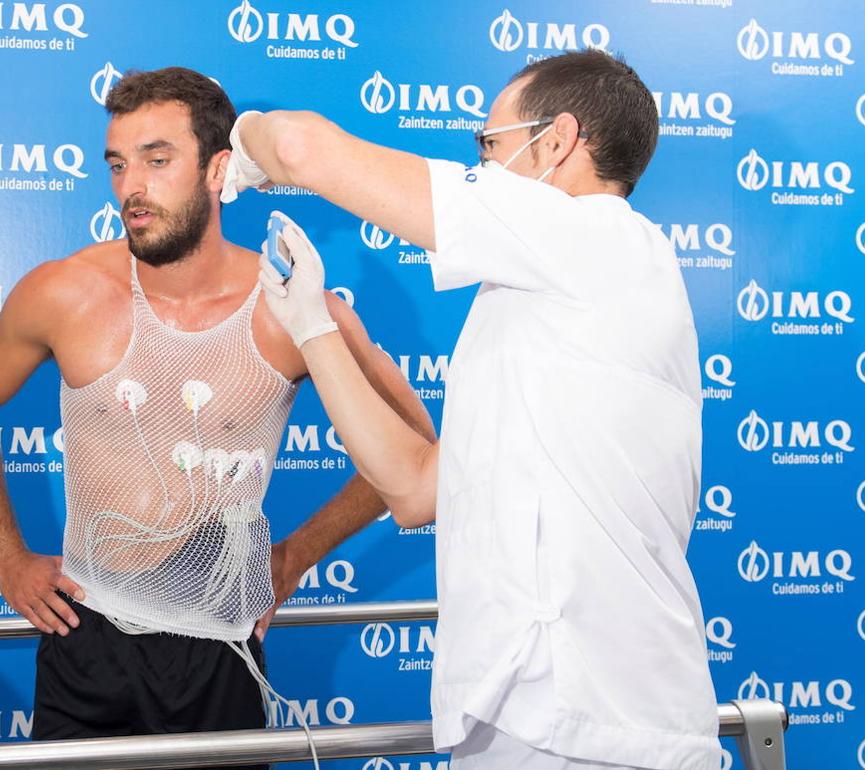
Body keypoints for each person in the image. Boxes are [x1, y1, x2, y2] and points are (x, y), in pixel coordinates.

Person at [228, 50, 721, 769]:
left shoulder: (597, 238)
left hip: (597, 719)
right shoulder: (536, 299)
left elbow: (302, 148)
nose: (483, 167)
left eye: (489, 147)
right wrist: (312, 327)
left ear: (557, 141)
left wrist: (239, 146)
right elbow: (416, 487)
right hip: (523, 713)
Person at [0, 66, 434, 758]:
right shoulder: (66, 292)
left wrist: (294, 556)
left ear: (219, 169)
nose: (131, 187)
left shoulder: (289, 311)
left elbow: (416, 446)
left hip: (219, 653)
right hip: (84, 638)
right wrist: (6, 556)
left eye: (157, 159)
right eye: (118, 164)